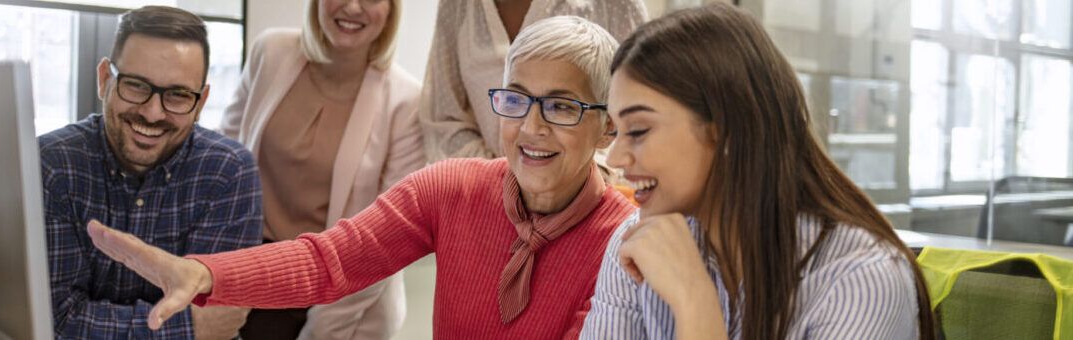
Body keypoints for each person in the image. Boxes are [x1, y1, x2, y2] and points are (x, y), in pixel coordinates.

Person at [86, 16, 635, 339]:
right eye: (515, 101)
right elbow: (331, 260)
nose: (530, 127)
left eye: (561, 108)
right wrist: (204, 275)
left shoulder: (625, 243)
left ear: (607, 127)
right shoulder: (453, 188)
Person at [580, 4, 936, 339]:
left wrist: (694, 301)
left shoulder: (860, 276)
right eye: (617, 131)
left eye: (639, 131)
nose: (615, 157)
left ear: (730, 131)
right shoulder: (638, 241)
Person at [38, 6, 262, 339]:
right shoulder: (52, 166)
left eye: (178, 95)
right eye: (137, 86)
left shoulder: (228, 173)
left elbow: (220, 318)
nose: (153, 113)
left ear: (200, 103)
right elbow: (55, 321)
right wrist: (187, 328)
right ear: (104, 80)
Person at [218, 0, 421, 337]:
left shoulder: (407, 102)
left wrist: (319, 329)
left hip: (343, 295)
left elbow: (386, 240)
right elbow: (225, 161)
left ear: (391, 10)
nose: (353, 8)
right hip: (251, 273)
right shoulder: (270, 51)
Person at [419, 0, 647, 162]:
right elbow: (443, 116)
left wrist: (575, 180)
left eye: (561, 105)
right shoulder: (458, 5)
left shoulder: (617, 4)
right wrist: (504, 179)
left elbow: (639, 118)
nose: (531, 127)